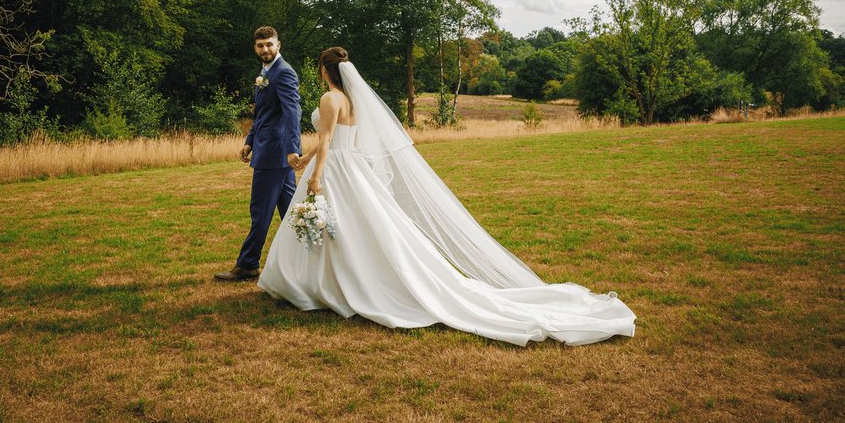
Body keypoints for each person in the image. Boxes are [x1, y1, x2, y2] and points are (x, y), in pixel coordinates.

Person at [258, 47, 636, 346]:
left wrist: (316, 175)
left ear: (324, 71)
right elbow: (338, 140)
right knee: (360, 230)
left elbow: (327, 141)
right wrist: (303, 159)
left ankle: (318, 285)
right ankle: (321, 283)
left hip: (336, 171)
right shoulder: (352, 101)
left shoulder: (329, 99)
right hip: (350, 167)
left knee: (340, 228)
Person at [215, 26, 302, 282]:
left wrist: (292, 149)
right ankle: (309, 261)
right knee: (291, 213)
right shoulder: (266, 72)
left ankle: (248, 265)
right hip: (268, 150)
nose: (265, 49)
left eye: (269, 44)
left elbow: (292, 114)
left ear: (279, 45)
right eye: (260, 45)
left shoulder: (283, 73)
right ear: (255, 48)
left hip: (275, 154)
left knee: (260, 211)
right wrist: (249, 141)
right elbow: (264, 115)